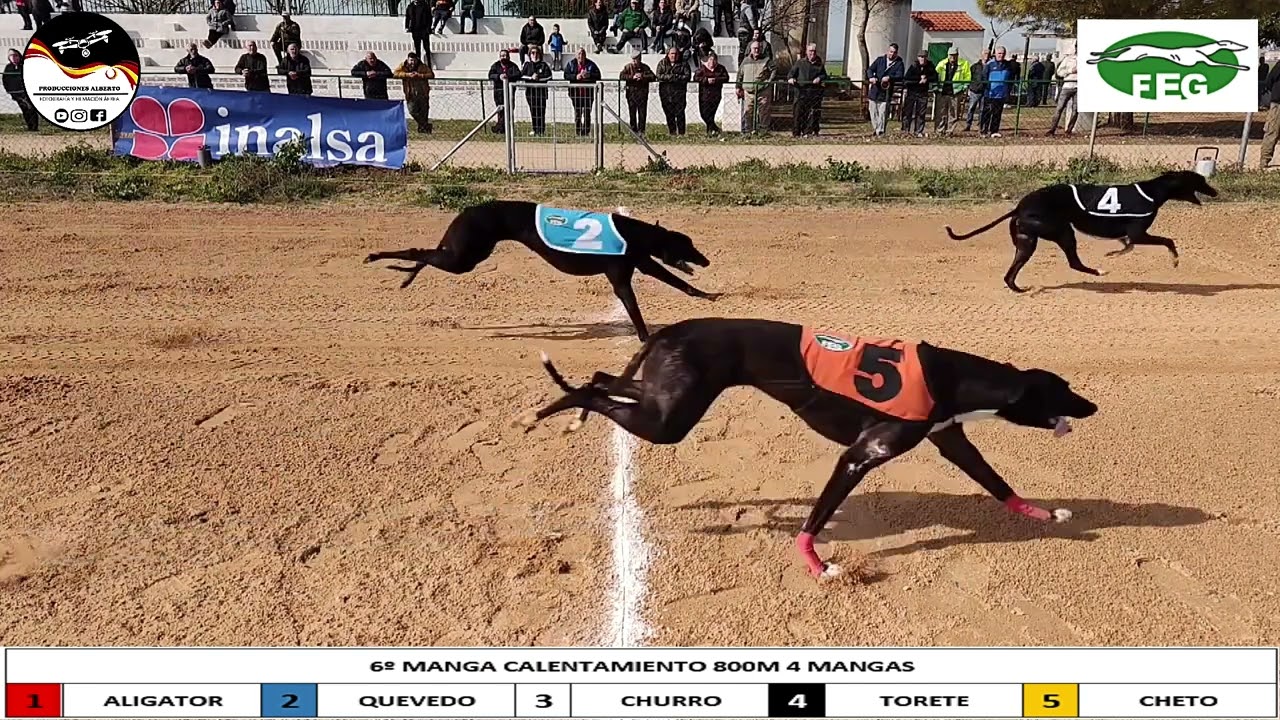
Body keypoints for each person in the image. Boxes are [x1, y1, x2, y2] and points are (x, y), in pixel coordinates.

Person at [787, 43, 826, 136]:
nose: (812, 53)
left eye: (814, 51)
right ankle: (796, 133)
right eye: (810, 51)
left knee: (813, 114)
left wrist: (819, 78)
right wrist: (791, 79)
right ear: (806, 52)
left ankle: (808, 132)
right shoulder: (800, 63)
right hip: (801, 93)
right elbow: (791, 74)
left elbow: (824, 74)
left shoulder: (819, 63)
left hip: (814, 93)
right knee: (798, 113)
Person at [865, 42, 903, 136]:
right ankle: (876, 129)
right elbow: (870, 69)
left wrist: (890, 77)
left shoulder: (899, 64)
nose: (892, 54)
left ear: (897, 53)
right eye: (890, 51)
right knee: (873, 112)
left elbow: (900, 75)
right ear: (887, 51)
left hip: (886, 93)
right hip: (875, 91)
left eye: (894, 52)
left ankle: (880, 132)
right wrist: (871, 77)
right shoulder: (879, 60)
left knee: (883, 113)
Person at [735, 39, 773, 134]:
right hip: (748, 91)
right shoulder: (745, 61)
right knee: (748, 112)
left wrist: (769, 81)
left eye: (759, 48)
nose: (757, 50)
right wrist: (738, 86)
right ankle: (748, 131)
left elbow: (774, 70)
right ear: (751, 49)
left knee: (764, 112)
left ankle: (763, 131)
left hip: (763, 91)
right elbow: (740, 74)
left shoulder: (767, 60)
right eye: (755, 48)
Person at [563, 48, 601, 135]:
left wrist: (589, 75)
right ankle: (578, 131)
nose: (581, 56)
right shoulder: (571, 64)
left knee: (587, 113)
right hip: (576, 93)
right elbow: (566, 75)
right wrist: (575, 77)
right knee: (578, 113)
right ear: (576, 55)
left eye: (583, 54)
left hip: (588, 93)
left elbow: (598, 75)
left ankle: (586, 131)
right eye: (579, 54)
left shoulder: (591, 64)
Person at [395, 51, 434, 133]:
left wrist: (420, 75)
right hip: (410, 93)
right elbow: (395, 74)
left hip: (422, 92)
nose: (412, 62)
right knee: (412, 110)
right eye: (411, 60)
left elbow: (431, 74)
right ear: (408, 60)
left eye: (414, 60)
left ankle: (423, 129)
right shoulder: (403, 66)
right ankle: (425, 125)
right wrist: (407, 75)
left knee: (424, 111)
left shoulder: (422, 66)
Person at [933, 48, 968, 135]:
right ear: (948, 55)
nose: (953, 57)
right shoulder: (942, 64)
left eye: (955, 55)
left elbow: (967, 76)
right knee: (941, 112)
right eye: (951, 55)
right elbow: (935, 75)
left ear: (957, 55)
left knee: (953, 113)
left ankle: (949, 131)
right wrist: (936, 87)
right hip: (942, 91)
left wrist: (963, 88)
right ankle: (939, 130)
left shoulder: (963, 64)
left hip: (956, 92)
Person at [619, 50, 656, 135]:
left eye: (636, 60)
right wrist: (632, 77)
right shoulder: (628, 67)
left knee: (642, 114)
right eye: (633, 60)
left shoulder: (645, 67)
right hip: (631, 94)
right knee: (632, 114)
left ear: (640, 59)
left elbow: (653, 77)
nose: (634, 62)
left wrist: (642, 76)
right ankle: (633, 131)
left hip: (642, 94)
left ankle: (641, 131)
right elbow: (621, 76)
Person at [900, 51, 936, 137]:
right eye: (920, 57)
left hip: (923, 93)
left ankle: (918, 131)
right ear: (918, 58)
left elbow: (935, 77)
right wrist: (918, 79)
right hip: (912, 91)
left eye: (924, 57)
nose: (922, 59)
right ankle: (906, 130)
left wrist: (926, 79)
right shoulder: (913, 66)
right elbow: (907, 78)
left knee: (921, 113)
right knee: (907, 112)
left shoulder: (930, 66)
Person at [656, 45, 690, 134]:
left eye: (675, 54)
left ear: (678, 55)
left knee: (680, 113)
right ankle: (672, 132)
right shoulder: (662, 63)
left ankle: (681, 133)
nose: (673, 56)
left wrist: (677, 77)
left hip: (679, 92)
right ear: (668, 54)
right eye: (671, 54)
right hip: (665, 93)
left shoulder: (684, 63)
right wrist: (670, 77)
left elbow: (687, 76)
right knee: (668, 113)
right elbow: (659, 75)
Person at [520, 45, 553, 135]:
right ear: (530, 54)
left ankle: (541, 130)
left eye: (537, 53)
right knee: (533, 110)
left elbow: (549, 76)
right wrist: (531, 78)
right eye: (533, 53)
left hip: (541, 92)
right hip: (530, 93)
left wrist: (539, 78)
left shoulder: (544, 65)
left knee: (541, 111)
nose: (535, 55)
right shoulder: (527, 65)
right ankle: (535, 129)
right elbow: (521, 76)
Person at [693, 52, 728, 136]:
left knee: (711, 114)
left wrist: (716, 80)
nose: (712, 61)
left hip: (715, 95)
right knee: (704, 114)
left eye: (714, 59)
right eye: (711, 59)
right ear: (708, 60)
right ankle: (715, 129)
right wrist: (706, 80)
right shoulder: (702, 69)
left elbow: (726, 78)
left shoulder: (721, 68)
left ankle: (710, 132)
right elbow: (696, 78)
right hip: (704, 95)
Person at [3, 48, 38, 131]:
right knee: (25, 109)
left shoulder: (25, 65)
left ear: (19, 56)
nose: (13, 58)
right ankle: (30, 127)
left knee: (31, 109)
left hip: (27, 93)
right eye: (11, 56)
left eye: (15, 56)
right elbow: (5, 80)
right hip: (16, 94)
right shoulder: (8, 67)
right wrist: (10, 91)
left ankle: (34, 127)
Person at [488, 48, 521, 133]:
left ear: (509, 57)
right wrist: (499, 76)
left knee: (509, 110)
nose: (504, 57)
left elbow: (518, 75)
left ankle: (506, 128)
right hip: (498, 92)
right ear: (500, 57)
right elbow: (490, 75)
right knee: (500, 111)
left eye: (506, 55)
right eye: (502, 55)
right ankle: (501, 128)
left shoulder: (513, 66)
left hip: (510, 92)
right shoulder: (495, 66)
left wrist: (507, 77)